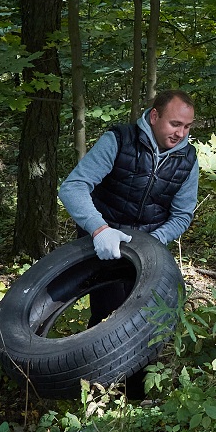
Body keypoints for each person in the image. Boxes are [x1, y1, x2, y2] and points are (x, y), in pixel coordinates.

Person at [58, 89, 199, 326]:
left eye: (187, 127)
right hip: (106, 241)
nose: (181, 134)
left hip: (150, 243)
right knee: (108, 318)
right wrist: (100, 230)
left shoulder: (188, 159)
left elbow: (183, 215)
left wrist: (153, 241)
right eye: (175, 124)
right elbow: (73, 187)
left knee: (150, 320)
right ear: (154, 117)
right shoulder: (119, 140)